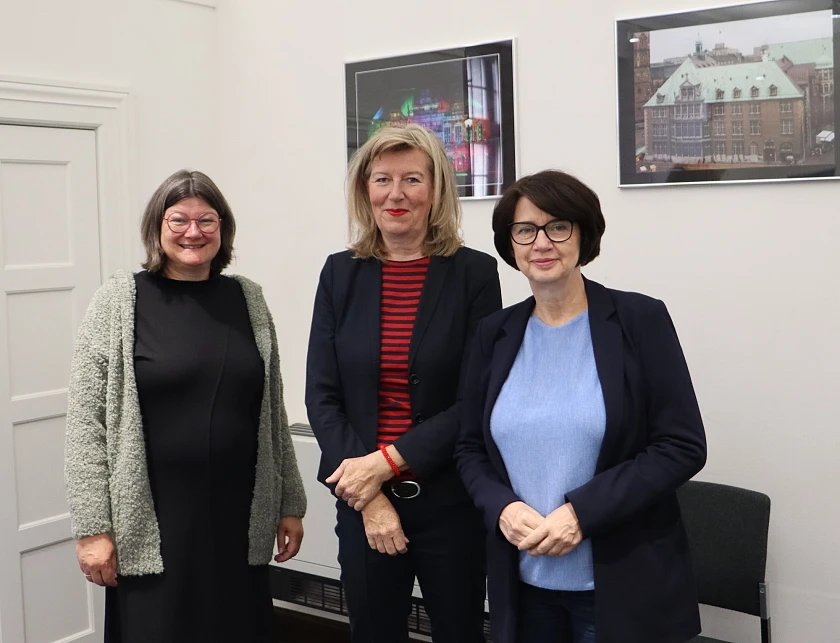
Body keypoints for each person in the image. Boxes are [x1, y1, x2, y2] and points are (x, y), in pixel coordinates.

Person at [455, 170, 707, 643]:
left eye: (559, 226)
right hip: (524, 585)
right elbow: (469, 448)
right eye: (526, 229)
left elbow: (682, 445)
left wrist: (580, 515)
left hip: (619, 584)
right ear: (511, 244)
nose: (541, 242)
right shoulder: (494, 334)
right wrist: (502, 508)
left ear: (584, 234)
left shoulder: (639, 320)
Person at [65, 169, 307, 643]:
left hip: (238, 517)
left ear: (223, 228)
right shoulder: (120, 300)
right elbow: (85, 424)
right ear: (157, 226)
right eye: (178, 220)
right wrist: (93, 528)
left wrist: (288, 502)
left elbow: (272, 413)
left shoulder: (248, 299)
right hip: (154, 519)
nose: (193, 232)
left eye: (206, 220)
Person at [305, 124, 502, 642]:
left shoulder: (473, 274)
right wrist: (368, 495)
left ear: (435, 189)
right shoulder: (338, 273)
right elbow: (322, 395)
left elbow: (476, 399)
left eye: (412, 179)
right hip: (360, 497)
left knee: (460, 632)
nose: (396, 194)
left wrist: (387, 462)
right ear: (364, 190)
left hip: (449, 499)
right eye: (382, 179)